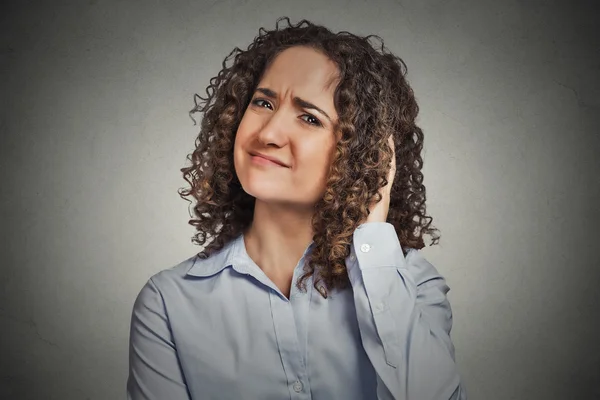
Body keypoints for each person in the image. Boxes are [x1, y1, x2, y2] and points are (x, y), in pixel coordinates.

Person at [127, 16, 467, 400]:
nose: (268, 134)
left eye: (309, 117)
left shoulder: (410, 283)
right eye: (263, 102)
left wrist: (373, 240)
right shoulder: (167, 303)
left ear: (361, 153)